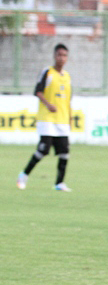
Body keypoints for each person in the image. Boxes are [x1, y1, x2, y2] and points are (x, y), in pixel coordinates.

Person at [17, 44, 73, 192]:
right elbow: (38, 91)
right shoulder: (47, 72)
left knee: (65, 153)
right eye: (59, 55)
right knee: (43, 150)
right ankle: (23, 175)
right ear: (55, 56)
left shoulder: (67, 77)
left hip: (62, 120)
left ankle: (59, 183)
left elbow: (68, 100)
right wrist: (48, 105)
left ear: (67, 58)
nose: (62, 58)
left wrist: (70, 118)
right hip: (47, 119)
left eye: (64, 55)